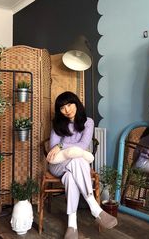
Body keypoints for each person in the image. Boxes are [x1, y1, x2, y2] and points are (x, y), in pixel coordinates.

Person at [47, 91, 117, 239]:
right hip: (58, 165)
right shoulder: (57, 124)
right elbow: (53, 147)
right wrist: (63, 148)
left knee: (72, 174)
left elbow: (83, 144)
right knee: (78, 157)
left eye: (69, 104)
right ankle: (95, 209)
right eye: (62, 108)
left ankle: (72, 226)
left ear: (76, 103)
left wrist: (61, 145)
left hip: (73, 165)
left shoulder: (88, 122)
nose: (67, 110)